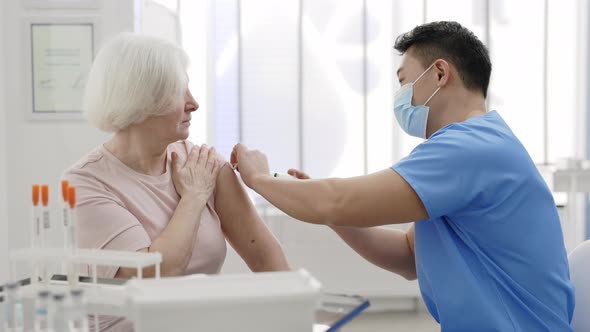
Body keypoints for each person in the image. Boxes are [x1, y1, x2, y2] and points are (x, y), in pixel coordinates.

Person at [230, 21, 574, 331]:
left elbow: (337, 200)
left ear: (440, 74)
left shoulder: (469, 148)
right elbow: (408, 256)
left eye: (404, 82)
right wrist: (334, 217)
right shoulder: (484, 142)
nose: (400, 97)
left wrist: (259, 179)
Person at [63, 33, 289, 331]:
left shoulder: (204, 164)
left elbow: (267, 261)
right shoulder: (87, 184)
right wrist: (194, 198)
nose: (193, 104)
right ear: (139, 100)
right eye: (178, 93)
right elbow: (161, 276)